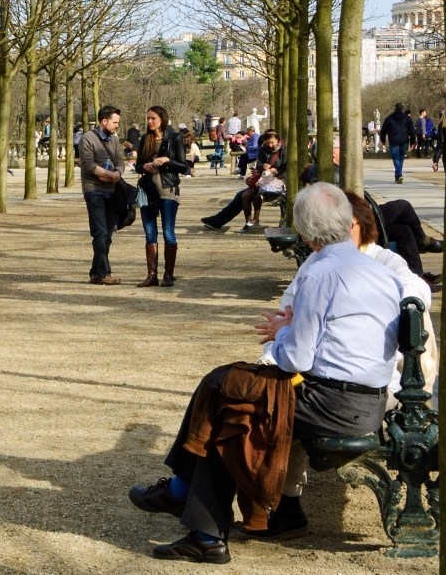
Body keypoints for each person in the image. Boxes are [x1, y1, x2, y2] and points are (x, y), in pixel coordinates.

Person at [128, 183, 403, 564]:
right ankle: (196, 518)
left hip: (331, 403)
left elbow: (296, 359)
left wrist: (282, 331)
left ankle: (192, 510)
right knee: (227, 389)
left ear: (304, 232)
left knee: (225, 393)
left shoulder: (318, 274)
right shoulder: (378, 270)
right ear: (346, 221)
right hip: (367, 400)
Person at [245, 189, 435, 541]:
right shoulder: (317, 265)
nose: (342, 232)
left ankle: (230, 506)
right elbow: (292, 317)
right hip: (346, 385)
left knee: (263, 401)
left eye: (348, 225)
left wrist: (286, 340)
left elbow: (415, 291)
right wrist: (282, 339)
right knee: (269, 391)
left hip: (378, 390)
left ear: (362, 226)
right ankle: (254, 503)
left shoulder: (384, 265)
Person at [134, 105, 187, 287]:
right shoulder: (145, 139)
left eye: (153, 118)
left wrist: (167, 161)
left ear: (162, 119)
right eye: (148, 118)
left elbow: (183, 166)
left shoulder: (175, 137)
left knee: (168, 232)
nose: (149, 122)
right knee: (150, 233)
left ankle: (168, 274)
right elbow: (138, 166)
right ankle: (151, 275)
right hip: (148, 189)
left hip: (167, 189)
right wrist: (145, 166)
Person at [77, 105, 127, 286]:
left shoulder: (114, 140)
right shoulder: (87, 139)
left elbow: (120, 161)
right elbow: (89, 166)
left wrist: (117, 173)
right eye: (115, 122)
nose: (117, 126)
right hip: (94, 191)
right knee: (100, 234)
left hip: (111, 192)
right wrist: (109, 175)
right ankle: (104, 273)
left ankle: (95, 272)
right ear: (104, 121)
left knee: (107, 234)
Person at [201, 130, 286, 232]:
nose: (270, 145)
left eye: (272, 142)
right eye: (268, 143)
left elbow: (287, 167)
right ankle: (221, 220)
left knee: (245, 195)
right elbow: (259, 164)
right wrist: (262, 166)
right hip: (264, 181)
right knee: (242, 195)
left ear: (277, 140)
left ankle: (219, 220)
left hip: (278, 182)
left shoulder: (283, 150)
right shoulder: (263, 149)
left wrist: (276, 171)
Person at [378, 199, 444, 285]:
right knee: (404, 206)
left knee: (405, 230)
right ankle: (422, 241)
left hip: (365, 213)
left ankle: (417, 276)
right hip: (363, 219)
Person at [380, 102, 415, 184]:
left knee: (396, 158)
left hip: (393, 140)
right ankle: (398, 175)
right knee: (401, 158)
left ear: (395, 108)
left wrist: (383, 140)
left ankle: (398, 175)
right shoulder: (407, 118)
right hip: (404, 140)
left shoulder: (389, 118)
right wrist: (413, 141)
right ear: (402, 108)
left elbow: (383, 130)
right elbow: (412, 131)